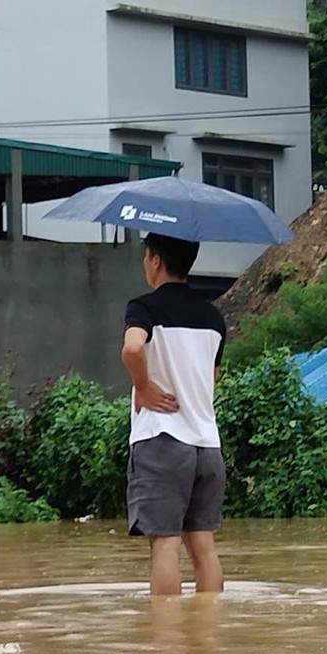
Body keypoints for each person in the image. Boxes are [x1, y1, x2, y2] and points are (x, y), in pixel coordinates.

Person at [122, 232, 226, 597]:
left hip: (163, 441)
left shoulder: (143, 307)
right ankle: (206, 636)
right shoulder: (213, 317)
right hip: (207, 447)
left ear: (155, 261)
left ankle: (166, 647)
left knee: (165, 545)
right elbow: (210, 378)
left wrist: (144, 386)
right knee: (204, 548)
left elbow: (133, 348)